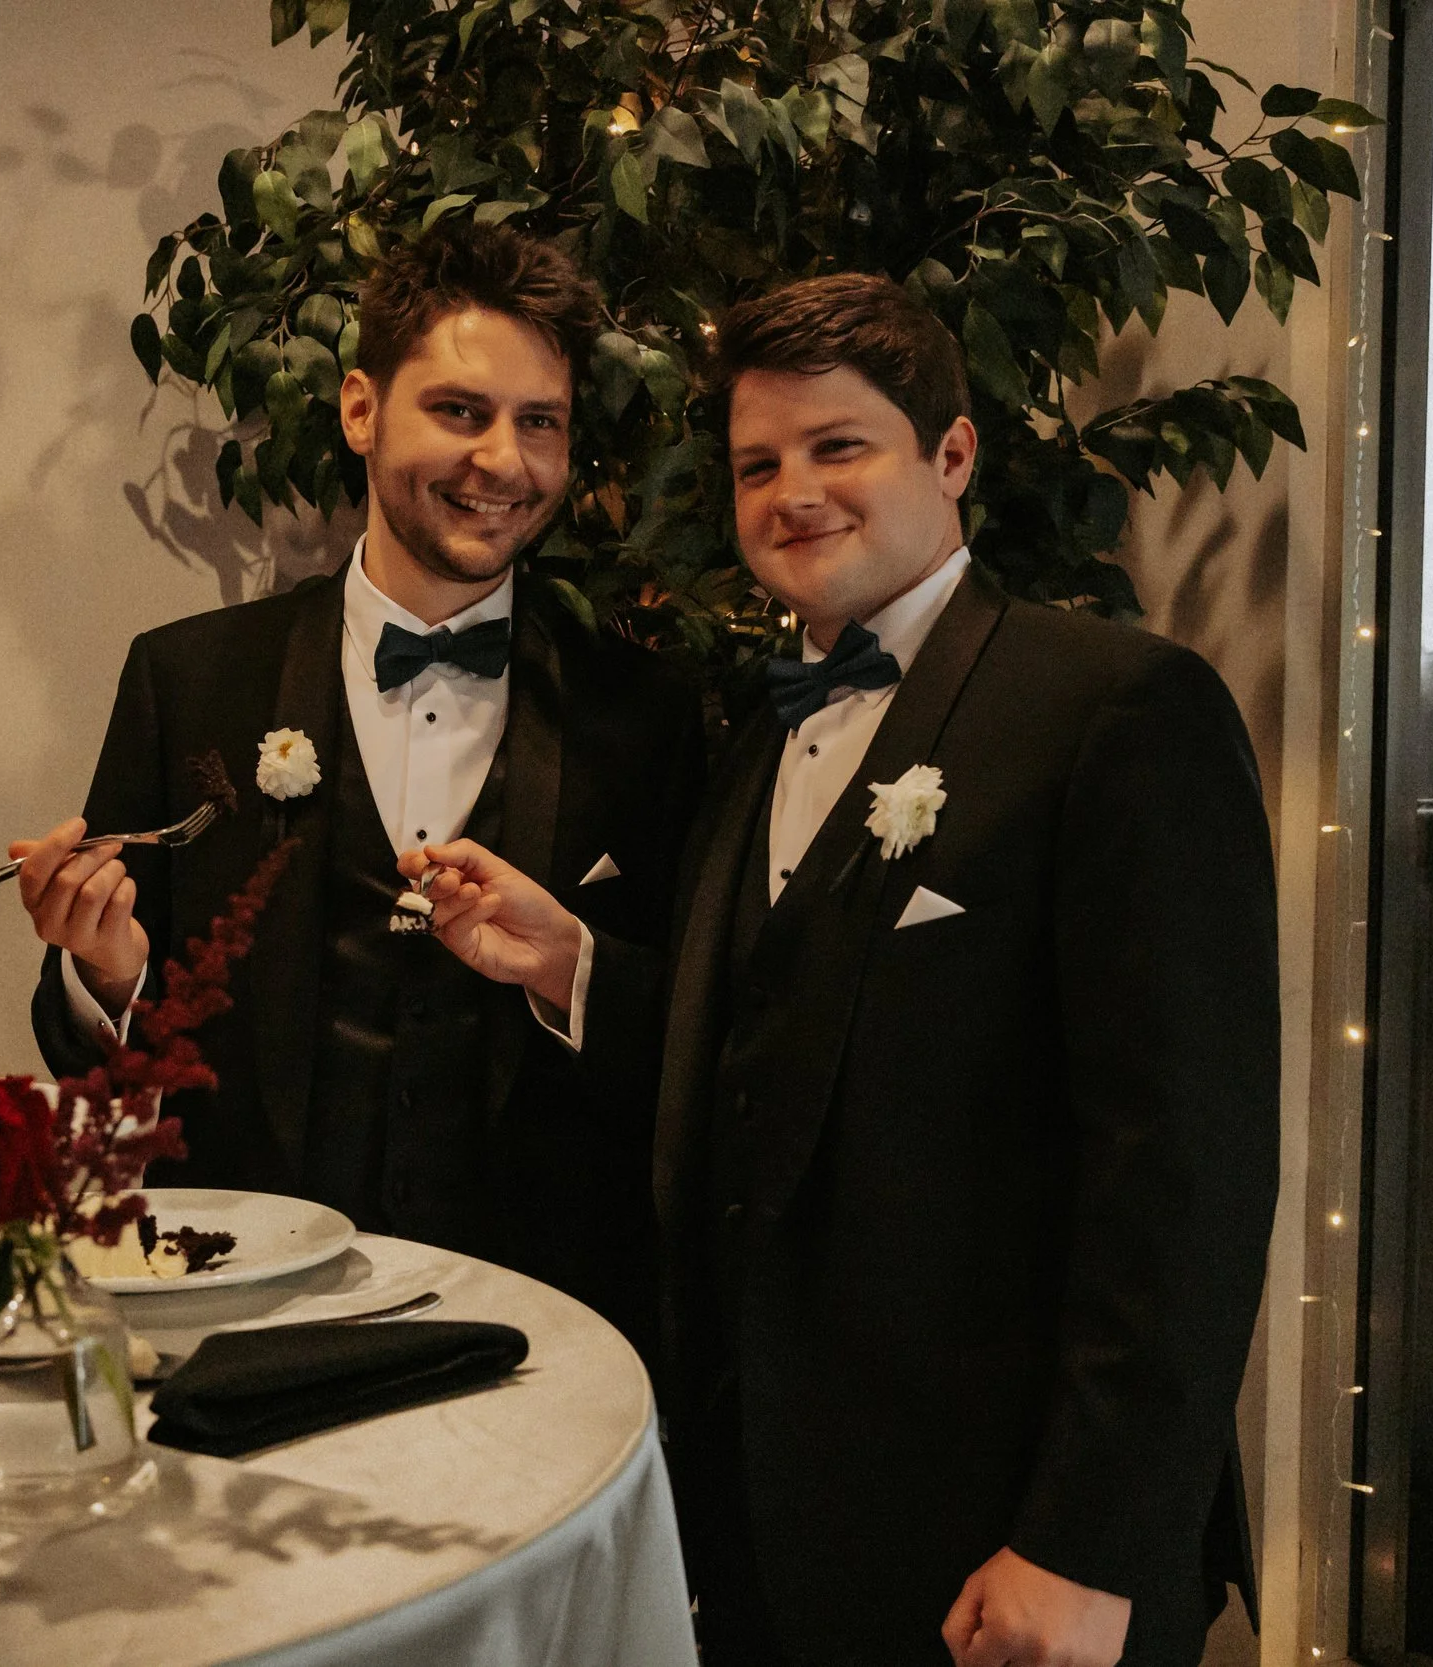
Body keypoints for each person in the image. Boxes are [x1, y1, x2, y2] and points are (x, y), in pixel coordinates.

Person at [404, 273, 1279, 1666]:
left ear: (951, 454)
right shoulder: (754, 736)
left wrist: (1087, 1540)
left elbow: (1189, 1169)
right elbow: (778, 1049)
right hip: (769, 1524)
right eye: (758, 464)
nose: (792, 492)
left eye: (837, 447)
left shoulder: (1114, 707)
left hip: (1007, 1536)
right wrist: (579, 968)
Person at [13, 223, 704, 1350]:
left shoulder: (647, 713)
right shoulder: (186, 678)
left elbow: (687, 1041)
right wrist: (107, 974)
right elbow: (100, 1045)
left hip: (542, 1327)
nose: (505, 462)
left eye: (541, 422)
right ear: (359, 408)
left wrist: (573, 968)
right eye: (461, 410)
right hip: (243, 1310)